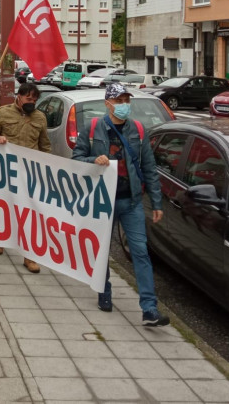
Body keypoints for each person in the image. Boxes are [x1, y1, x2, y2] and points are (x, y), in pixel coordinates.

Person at [72, 83, 170, 327]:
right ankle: (104, 292)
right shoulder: (93, 128)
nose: (124, 105)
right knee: (103, 250)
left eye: (127, 100)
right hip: (103, 201)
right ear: (108, 103)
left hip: (132, 200)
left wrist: (156, 201)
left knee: (140, 252)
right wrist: (94, 159)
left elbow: (149, 166)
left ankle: (149, 309)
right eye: (119, 101)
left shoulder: (138, 129)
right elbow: (76, 160)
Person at [0, 83, 49, 273]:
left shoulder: (40, 117)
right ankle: (0, 239)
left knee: (29, 212)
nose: (32, 103)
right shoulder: (3, 113)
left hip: (29, 171)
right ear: (19, 97)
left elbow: (45, 145)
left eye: (35, 100)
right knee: (4, 206)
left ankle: (29, 255)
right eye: (29, 99)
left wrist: (47, 168)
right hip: (6, 169)